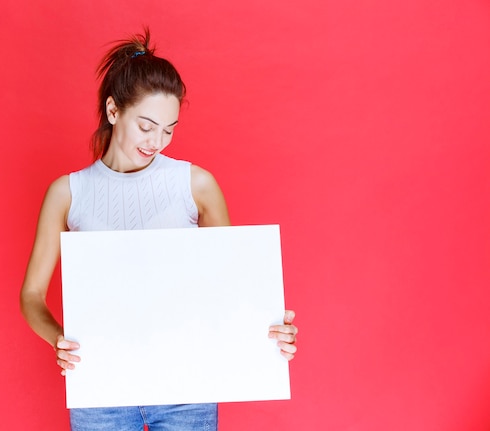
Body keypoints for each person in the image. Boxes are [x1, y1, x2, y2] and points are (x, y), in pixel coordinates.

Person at [20, 28, 298, 431]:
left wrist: (274, 327)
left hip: (189, 386)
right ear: (114, 111)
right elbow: (31, 295)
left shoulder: (196, 185)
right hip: (103, 389)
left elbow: (231, 286)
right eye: (146, 126)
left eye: (169, 129)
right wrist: (60, 340)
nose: (157, 141)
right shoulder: (67, 193)